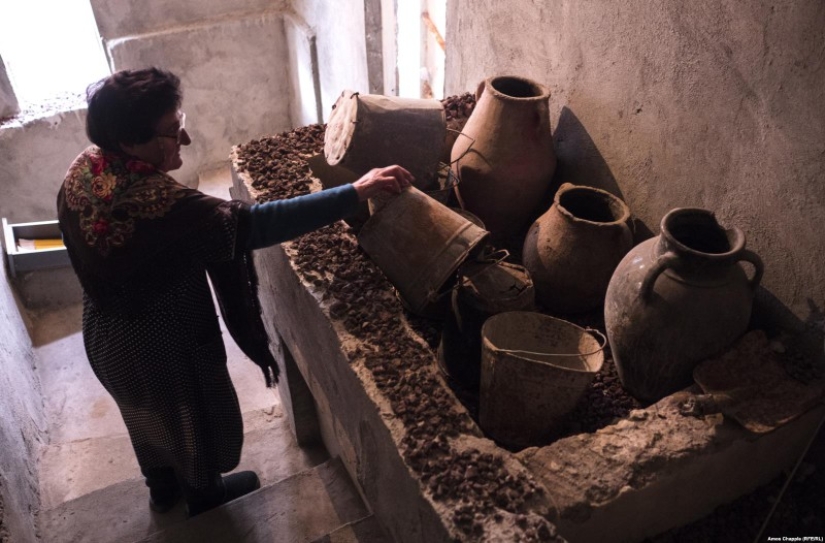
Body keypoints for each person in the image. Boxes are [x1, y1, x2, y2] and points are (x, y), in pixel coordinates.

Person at [56, 67, 412, 517]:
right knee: (193, 420)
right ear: (130, 143)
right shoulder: (162, 206)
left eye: (178, 120)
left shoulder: (83, 169)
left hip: (106, 336)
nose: (184, 140)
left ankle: (162, 489)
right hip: (161, 345)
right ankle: (205, 495)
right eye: (171, 131)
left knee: (145, 416)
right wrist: (354, 192)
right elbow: (254, 223)